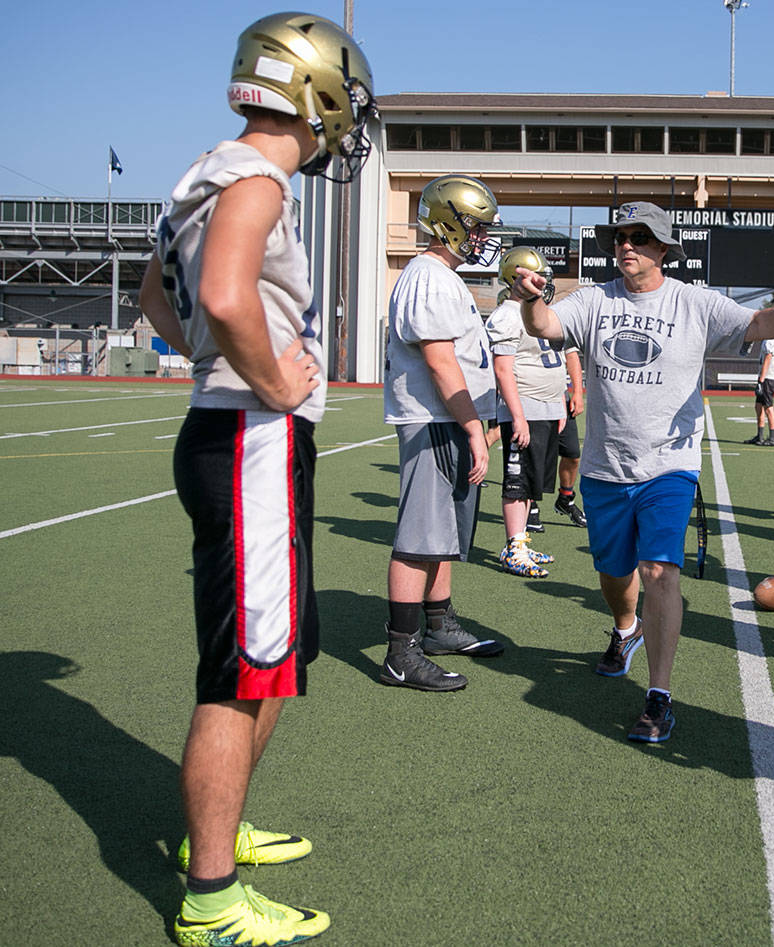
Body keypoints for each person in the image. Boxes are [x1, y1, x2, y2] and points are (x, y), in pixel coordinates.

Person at [137, 13, 375, 944]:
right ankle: (210, 896)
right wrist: (272, 376)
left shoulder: (200, 173)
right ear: (314, 88)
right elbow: (229, 297)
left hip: (231, 432)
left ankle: (221, 827)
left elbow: (162, 301)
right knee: (242, 674)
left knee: (273, 661)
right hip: (250, 438)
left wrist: (213, 357)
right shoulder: (253, 176)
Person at [511, 201, 774, 742]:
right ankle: (625, 628)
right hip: (606, 467)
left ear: (662, 248)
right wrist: (531, 298)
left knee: (660, 572)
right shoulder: (593, 300)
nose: (625, 245)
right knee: (615, 575)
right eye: (620, 237)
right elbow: (546, 324)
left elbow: (757, 323)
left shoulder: (696, 303)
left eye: (638, 237)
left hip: (669, 465)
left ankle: (659, 695)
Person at [381, 173, 506, 693]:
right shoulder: (428, 276)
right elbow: (440, 362)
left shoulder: (444, 276)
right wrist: (474, 428)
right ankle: (400, 652)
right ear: (448, 224)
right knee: (419, 537)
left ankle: (439, 626)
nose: (483, 238)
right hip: (436, 420)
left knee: (444, 534)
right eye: (475, 227)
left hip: (450, 420)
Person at [488, 247, 564, 577]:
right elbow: (503, 369)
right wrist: (517, 415)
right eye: (535, 276)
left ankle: (521, 540)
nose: (541, 282)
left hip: (545, 407)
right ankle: (513, 546)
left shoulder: (536, 311)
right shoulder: (506, 315)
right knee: (517, 481)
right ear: (516, 277)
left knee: (532, 481)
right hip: (525, 407)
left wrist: (558, 403)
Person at [552, 348, 590, 526]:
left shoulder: (560, 324)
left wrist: (577, 392)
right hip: (531, 396)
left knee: (572, 453)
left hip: (560, 396)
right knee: (535, 455)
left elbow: (571, 355)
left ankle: (565, 498)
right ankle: (530, 505)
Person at [744, 337, 774, 446]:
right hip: (764, 378)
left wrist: (761, 380)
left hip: (767, 379)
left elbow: (768, 358)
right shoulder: (766, 340)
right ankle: (760, 436)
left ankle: (772, 438)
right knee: (758, 406)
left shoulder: (770, 340)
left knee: (768, 408)